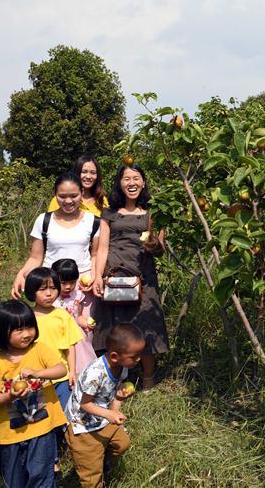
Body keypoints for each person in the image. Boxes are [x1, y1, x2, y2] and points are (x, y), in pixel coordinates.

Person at [92, 163, 169, 389]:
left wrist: (153, 244)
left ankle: (147, 377)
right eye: (126, 179)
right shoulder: (109, 214)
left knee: (146, 324)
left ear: (143, 182)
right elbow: (102, 247)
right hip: (114, 276)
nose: (131, 183)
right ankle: (113, 379)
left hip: (143, 277)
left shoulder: (153, 213)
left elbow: (160, 249)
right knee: (113, 326)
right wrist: (98, 276)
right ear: (119, 183)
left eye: (136, 178)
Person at [0, 300, 68, 488]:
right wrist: (10, 396)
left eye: (30, 327)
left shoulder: (40, 349)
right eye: (19, 330)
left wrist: (39, 373)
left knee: (42, 476)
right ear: (2, 332)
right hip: (10, 435)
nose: (27, 334)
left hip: (42, 429)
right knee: (14, 481)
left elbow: (61, 369)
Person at [65, 323, 144, 488]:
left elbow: (112, 400)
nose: (138, 360)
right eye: (134, 356)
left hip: (100, 417)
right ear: (115, 356)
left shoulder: (121, 367)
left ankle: (100, 462)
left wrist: (119, 399)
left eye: (139, 355)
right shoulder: (96, 373)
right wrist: (110, 415)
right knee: (91, 478)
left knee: (121, 443)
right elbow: (85, 404)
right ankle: (92, 468)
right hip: (82, 425)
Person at [12, 172, 101, 299]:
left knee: (82, 319)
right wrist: (21, 274)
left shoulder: (94, 221)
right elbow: (35, 258)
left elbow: (95, 256)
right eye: (62, 196)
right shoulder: (44, 220)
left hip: (82, 285)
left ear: (82, 192)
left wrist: (94, 277)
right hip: (51, 287)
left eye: (74, 196)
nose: (68, 201)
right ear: (55, 194)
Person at [24, 267, 84, 410]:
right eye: (43, 289)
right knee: (41, 415)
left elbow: (70, 346)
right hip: (35, 376)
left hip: (61, 377)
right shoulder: (27, 318)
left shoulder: (63, 316)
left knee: (66, 412)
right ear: (32, 291)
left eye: (53, 288)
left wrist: (72, 372)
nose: (49, 293)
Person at [51, 258, 98, 376]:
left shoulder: (77, 295)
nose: (68, 287)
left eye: (72, 282)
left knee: (82, 362)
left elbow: (78, 316)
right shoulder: (51, 298)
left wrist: (86, 323)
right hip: (58, 334)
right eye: (63, 283)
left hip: (76, 336)